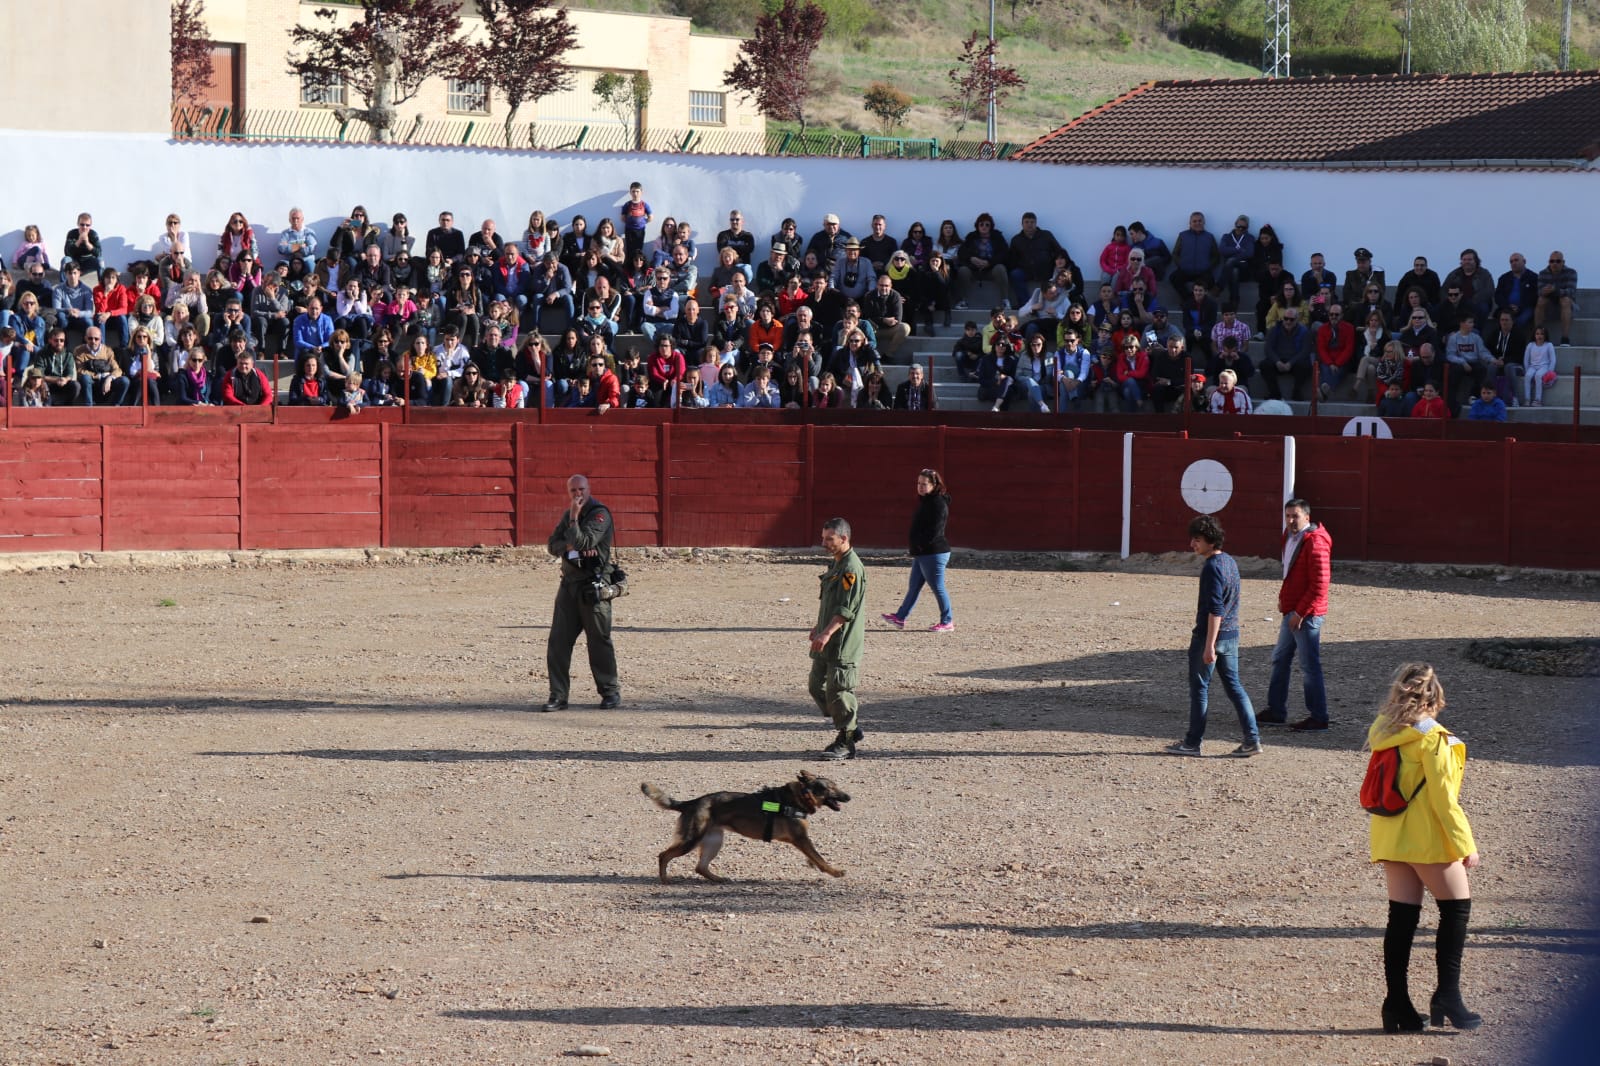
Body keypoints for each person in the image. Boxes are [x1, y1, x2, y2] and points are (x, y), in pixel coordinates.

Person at [1367, 662, 1481, 1033]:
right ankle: (1448, 995)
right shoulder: (1433, 738)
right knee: (1456, 911)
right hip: (1428, 838)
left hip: (1389, 833)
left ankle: (1396, 1003)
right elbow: (1444, 799)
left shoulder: (1384, 730)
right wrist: (1465, 844)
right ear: (1436, 697)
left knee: (1401, 920)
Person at [1169, 514, 1261, 757]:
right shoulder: (1230, 562)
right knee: (1234, 686)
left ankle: (1192, 743)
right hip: (1231, 635)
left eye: (1197, 540)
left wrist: (1209, 645)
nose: (1192, 545)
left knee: (1200, 689)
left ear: (1210, 541)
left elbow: (1215, 610)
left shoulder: (1211, 568)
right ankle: (1252, 739)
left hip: (1210, 636)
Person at [542, 474, 622, 712]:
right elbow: (551, 545)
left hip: (593, 585)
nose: (578, 494)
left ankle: (610, 692)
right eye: (573, 490)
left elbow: (586, 542)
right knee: (558, 642)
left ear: (589, 489)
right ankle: (558, 695)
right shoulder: (568, 515)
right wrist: (568, 544)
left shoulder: (600, 514)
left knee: (599, 641)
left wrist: (574, 522)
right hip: (569, 586)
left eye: (581, 489)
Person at [1261, 498, 1332, 731]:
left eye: (1296, 516)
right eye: (1288, 516)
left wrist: (1300, 612)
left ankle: (1319, 717)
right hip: (1293, 610)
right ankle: (1276, 710)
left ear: (1307, 517)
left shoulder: (1315, 542)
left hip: (1306, 614)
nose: (1291, 520)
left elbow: (1320, 584)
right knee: (1280, 659)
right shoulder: (1291, 537)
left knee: (1309, 665)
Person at [810, 517, 867, 761]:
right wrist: (818, 627)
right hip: (828, 637)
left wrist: (827, 632)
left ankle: (846, 740)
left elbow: (846, 609)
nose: (824, 543)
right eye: (823, 538)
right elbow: (829, 604)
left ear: (844, 539)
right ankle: (850, 727)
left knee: (838, 689)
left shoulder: (851, 569)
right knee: (816, 686)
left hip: (842, 642)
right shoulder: (836, 564)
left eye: (829, 539)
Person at [881, 469, 953, 632]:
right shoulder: (927, 501)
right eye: (918, 483)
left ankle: (947, 621)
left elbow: (935, 531)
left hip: (933, 553)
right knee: (914, 586)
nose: (920, 487)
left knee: (938, 587)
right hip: (924, 552)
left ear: (934, 485)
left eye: (924, 484)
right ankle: (900, 618)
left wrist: (920, 545)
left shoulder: (937, 504)